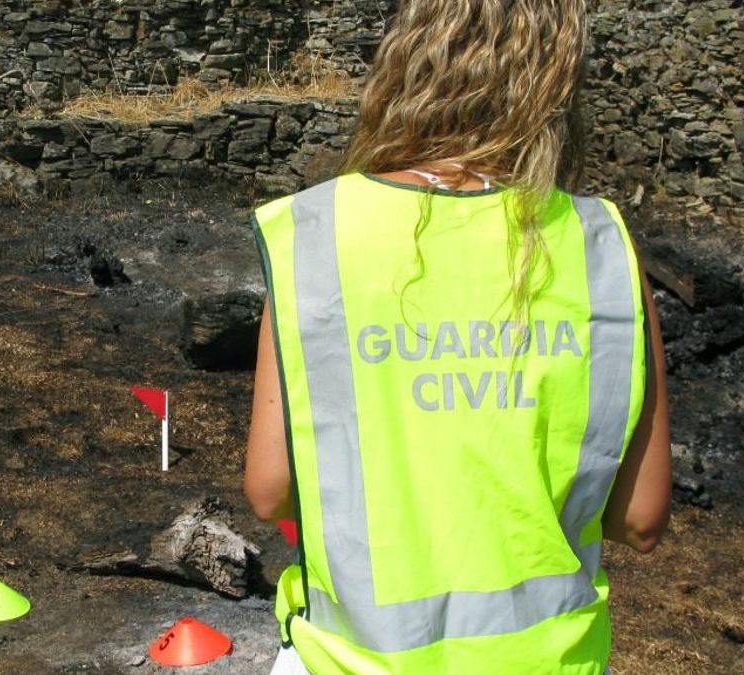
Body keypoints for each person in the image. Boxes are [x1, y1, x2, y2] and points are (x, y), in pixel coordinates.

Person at [243, 1, 673, 673]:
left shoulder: (318, 236)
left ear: (407, 66)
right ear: (555, 85)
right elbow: (641, 518)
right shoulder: (600, 248)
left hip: (353, 658)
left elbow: (271, 490)